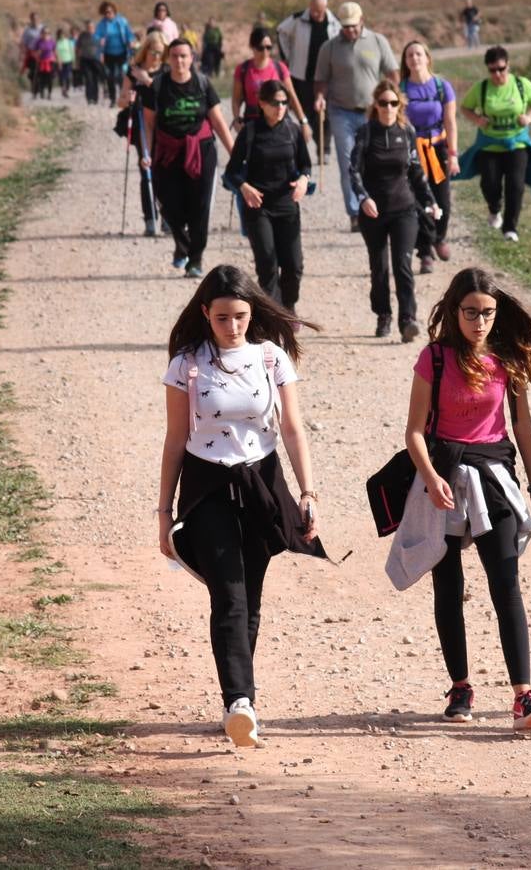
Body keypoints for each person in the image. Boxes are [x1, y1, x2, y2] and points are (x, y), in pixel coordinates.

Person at [157, 265, 325, 748]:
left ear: (253, 313)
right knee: (227, 593)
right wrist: (164, 514)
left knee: (250, 596)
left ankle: (239, 699)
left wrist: (307, 492)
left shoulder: (271, 359)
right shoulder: (186, 364)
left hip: (262, 483)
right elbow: (174, 440)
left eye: (241, 316)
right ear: (205, 314)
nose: (233, 327)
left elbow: (292, 429)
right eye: (223, 318)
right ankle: (240, 701)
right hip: (206, 485)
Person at [390, 267, 531, 731]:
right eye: (470, 312)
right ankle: (460, 686)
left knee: (506, 582)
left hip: (495, 474)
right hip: (443, 472)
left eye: (487, 313)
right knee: (448, 585)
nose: (479, 321)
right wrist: (429, 478)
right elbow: (414, 432)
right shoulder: (435, 359)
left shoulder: (507, 358)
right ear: (455, 310)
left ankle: (524, 694)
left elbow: (521, 424)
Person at [349, 80, 438, 342]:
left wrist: (430, 201)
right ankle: (383, 315)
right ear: (375, 105)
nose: (388, 107)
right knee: (379, 268)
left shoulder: (407, 131)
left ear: (399, 105)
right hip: (373, 212)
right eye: (383, 103)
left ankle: (408, 319)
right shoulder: (366, 133)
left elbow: (416, 171)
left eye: (393, 103)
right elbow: (353, 170)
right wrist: (363, 198)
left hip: (404, 210)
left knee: (403, 265)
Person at [140, 38, 236, 279]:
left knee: (200, 206)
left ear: (192, 59)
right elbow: (149, 123)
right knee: (169, 205)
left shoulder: (203, 84)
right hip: (168, 152)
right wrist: (147, 152)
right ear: (168, 59)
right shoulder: (159, 86)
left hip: (201, 151)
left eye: (184, 56)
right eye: (174, 56)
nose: (179, 61)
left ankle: (195, 259)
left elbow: (218, 122)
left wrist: (234, 153)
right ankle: (182, 244)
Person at [223, 79, 313, 313]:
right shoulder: (250, 132)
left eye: (284, 103)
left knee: (294, 265)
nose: (280, 107)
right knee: (267, 265)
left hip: (287, 205)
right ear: (261, 103)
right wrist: (245, 187)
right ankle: (275, 314)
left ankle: (289, 305)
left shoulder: (292, 131)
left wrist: (303, 180)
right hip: (259, 207)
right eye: (275, 103)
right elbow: (231, 172)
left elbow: (306, 165)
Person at [314, 1, 399, 232]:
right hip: (341, 112)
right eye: (345, 26)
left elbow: (392, 73)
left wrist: (393, 99)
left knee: (374, 160)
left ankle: (376, 206)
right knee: (348, 163)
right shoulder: (330, 47)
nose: (349, 30)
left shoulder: (377, 41)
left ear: (362, 20)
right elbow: (321, 79)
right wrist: (320, 97)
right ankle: (354, 213)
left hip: (373, 112)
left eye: (353, 25)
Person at [456, 46, 531, 244]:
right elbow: (464, 108)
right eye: (492, 70)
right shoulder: (481, 88)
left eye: (501, 68)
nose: (497, 74)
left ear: (508, 65)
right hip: (489, 145)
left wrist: (529, 117)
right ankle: (494, 209)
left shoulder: (521, 84)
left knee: (515, 185)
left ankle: (510, 228)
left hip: (517, 144)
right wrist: (477, 119)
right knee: (489, 183)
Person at [400, 41, 458, 275]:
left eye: (418, 54)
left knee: (442, 200)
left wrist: (453, 154)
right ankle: (425, 252)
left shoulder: (442, 87)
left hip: (438, 149)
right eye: (410, 55)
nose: (415, 58)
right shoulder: (401, 89)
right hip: (412, 152)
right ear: (405, 61)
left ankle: (439, 237)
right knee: (418, 201)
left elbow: (451, 122)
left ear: (427, 58)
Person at [278, 0, 340, 161]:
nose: (315, 14)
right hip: (302, 74)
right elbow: (281, 31)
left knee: (324, 112)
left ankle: (324, 148)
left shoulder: (335, 23)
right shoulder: (298, 19)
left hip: (325, 77)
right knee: (306, 110)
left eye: (318, 11)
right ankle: (318, 141)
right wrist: (287, 56)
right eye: (312, 10)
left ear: (325, 8)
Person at [122, 30, 168, 237]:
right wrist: (128, 99)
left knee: (167, 172)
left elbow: (169, 95)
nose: (157, 57)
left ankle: (168, 216)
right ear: (146, 50)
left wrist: (147, 80)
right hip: (142, 125)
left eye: (160, 52)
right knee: (146, 169)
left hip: (167, 126)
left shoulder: (167, 71)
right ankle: (150, 219)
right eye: (154, 52)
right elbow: (120, 100)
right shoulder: (133, 71)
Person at [233, 28, 309, 132]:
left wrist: (303, 121)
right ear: (252, 46)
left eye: (268, 47)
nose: (265, 51)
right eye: (260, 48)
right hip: (253, 123)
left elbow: (292, 95)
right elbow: (236, 100)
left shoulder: (280, 68)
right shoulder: (243, 69)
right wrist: (237, 120)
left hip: (279, 122)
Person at [96, 1, 135, 107]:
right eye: (106, 12)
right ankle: (113, 99)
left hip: (121, 53)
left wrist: (131, 41)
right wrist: (99, 40)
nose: (108, 14)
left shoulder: (122, 21)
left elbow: (129, 34)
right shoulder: (102, 24)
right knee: (110, 77)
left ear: (114, 11)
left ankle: (122, 97)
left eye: (110, 12)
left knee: (119, 75)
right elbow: (96, 36)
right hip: (108, 54)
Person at [75, 20, 103, 105]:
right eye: (88, 27)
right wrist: (77, 60)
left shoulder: (98, 35)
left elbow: (102, 47)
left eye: (91, 27)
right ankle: (89, 98)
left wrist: (102, 57)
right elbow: (78, 47)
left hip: (96, 60)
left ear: (94, 27)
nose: (89, 28)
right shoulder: (82, 36)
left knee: (95, 79)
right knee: (88, 79)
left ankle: (95, 98)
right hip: (85, 60)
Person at [19, 12, 45, 91]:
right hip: (32, 53)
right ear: (31, 20)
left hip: (43, 52)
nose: (35, 20)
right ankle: (35, 88)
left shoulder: (43, 28)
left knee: (42, 70)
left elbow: (49, 38)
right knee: (33, 71)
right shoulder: (27, 30)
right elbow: (23, 42)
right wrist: (22, 53)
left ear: (39, 19)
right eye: (33, 19)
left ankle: (41, 86)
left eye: (36, 18)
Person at [32, 28, 57, 99]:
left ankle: (49, 93)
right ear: (41, 34)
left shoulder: (52, 41)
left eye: (47, 33)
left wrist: (56, 59)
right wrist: (37, 54)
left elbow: (55, 51)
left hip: (50, 61)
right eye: (44, 33)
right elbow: (33, 52)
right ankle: (41, 92)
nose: (46, 34)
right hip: (41, 62)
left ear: (50, 34)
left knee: (50, 78)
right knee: (41, 78)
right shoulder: (38, 42)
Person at [55, 26, 76, 98]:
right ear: (58, 35)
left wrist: (73, 60)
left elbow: (72, 51)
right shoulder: (57, 43)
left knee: (67, 76)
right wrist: (58, 61)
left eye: (63, 34)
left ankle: (66, 88)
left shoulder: (69, 42)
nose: (62, 35)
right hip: (61, 61)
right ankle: (63, 89)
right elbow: (56, 52)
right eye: (60, 34)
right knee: (62, 76)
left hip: (68, 60)